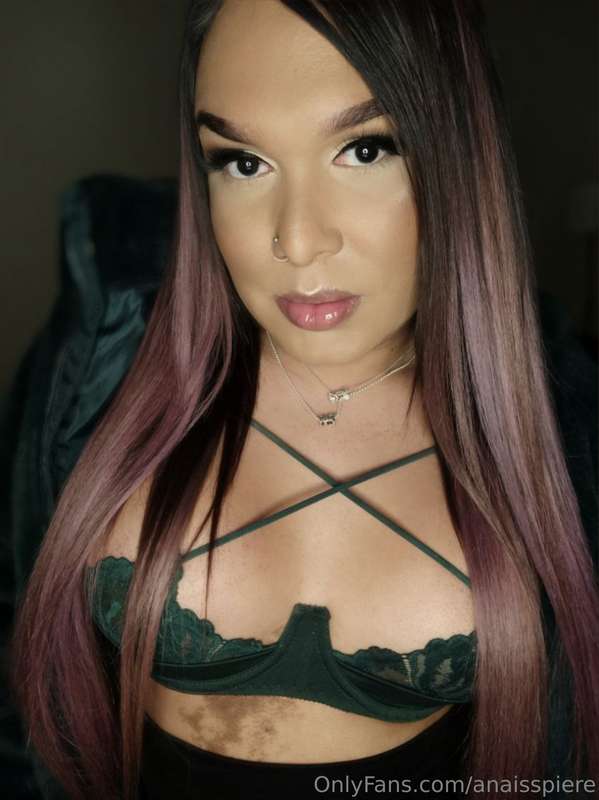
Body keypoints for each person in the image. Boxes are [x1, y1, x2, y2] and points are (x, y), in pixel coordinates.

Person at [7, 2, 599, 799]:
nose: (296, 239)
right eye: (243, 162)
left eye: (364, 149)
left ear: (458, 157)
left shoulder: (569, 434)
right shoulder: (101, 355)